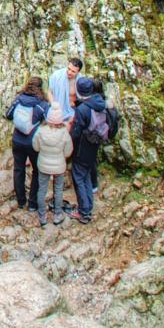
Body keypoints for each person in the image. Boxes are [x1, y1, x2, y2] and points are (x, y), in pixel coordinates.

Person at [69, 76, 118, 223]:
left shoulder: (83, 109)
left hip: (82, 147)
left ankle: (84, 212)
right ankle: (88, 205)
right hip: (95, 143)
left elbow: (76, 132)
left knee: (78, 176)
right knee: (86, 174)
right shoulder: (101, 102)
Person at [6, 76, 49, 212]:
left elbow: (8, 115)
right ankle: (32, 203)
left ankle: (20, 201)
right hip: (33, 142)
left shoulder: (19, 99)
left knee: (18, 169)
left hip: (17, 140)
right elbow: (48, 121)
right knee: (37, 171)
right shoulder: (42, 104)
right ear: (40, 88)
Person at [33, 104, 73, 226]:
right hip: (59, 165)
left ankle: (42, 216)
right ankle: (57, 214)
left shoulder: (40, 130)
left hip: (43, 164)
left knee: (42, 189)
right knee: (58, 189)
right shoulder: (64, 133)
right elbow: (68, 151)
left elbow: (35, 147)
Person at [48, 55, 83, 126]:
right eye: (68, 69)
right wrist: (53, 104)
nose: (69, 72)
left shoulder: (80, 80)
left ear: (78, 72)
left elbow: (83, 98)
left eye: (73, 71)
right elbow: (49, 92)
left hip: (73, 109)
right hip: (57, 108)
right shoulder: (56, 75)